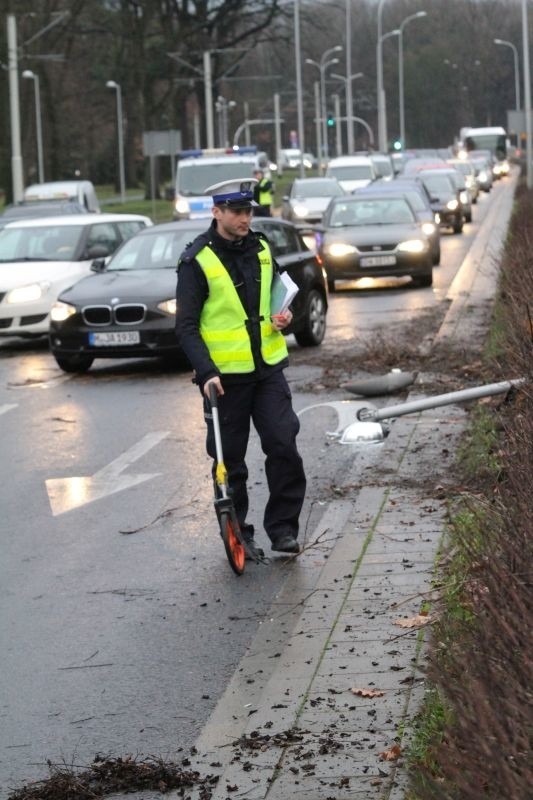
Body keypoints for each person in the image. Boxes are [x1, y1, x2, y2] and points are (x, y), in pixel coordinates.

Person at [175, 178, 306, 559]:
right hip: (224, 379)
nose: (245, 218)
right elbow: (185, 326)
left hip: (267, 370)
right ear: (217, 212)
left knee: (283, 444)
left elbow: (280, 296)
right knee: (230, 461)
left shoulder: (262, 247)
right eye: (236, 212)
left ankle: (282, 530)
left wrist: (285, 316)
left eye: (248, 211)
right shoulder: (196, 260)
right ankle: (239, 533)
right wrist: (206, 371)